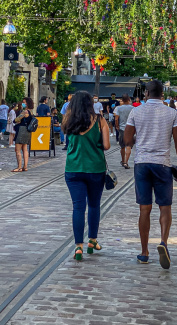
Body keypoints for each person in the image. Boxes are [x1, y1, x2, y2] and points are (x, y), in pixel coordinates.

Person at [123, 80, 177, 269]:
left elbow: (126, 139)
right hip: (163, 164)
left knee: (144, 209)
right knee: (165, 207)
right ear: (162, 94)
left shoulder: (136, 111)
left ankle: (144, 252)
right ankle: (163, 242)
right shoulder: (172, 113)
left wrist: (140, 139)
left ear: (146, 94)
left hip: (142, 163)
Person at [62, 91, 111, 261]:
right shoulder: (100, 120)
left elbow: (67, 141)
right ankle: (92, 240)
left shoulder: (68, 120)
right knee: (94, 205)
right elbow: (106, 145)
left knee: (78, 207)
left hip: (74, 168)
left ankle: (78, 246)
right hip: (95, 168)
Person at [12, 97, 35, 171]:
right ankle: (25, 166)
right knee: (25, 149)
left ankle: (19, 167)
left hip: (21, 130)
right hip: (27, 131)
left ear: (27, 103)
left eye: (24, 102)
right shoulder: (31, 112)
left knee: (18, 149)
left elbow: (16, 120)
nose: (23, 103)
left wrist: (17, 120)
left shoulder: (24, 112)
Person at [113, 95, 135, 169]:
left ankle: (122, 160)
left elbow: (116, 118)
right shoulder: (133, 108)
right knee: (128, 146)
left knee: (122, 146)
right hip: (131, 128)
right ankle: (126, 162)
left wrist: (117, 126)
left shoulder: (119, 108)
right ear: (129, 100)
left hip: (122, 128)